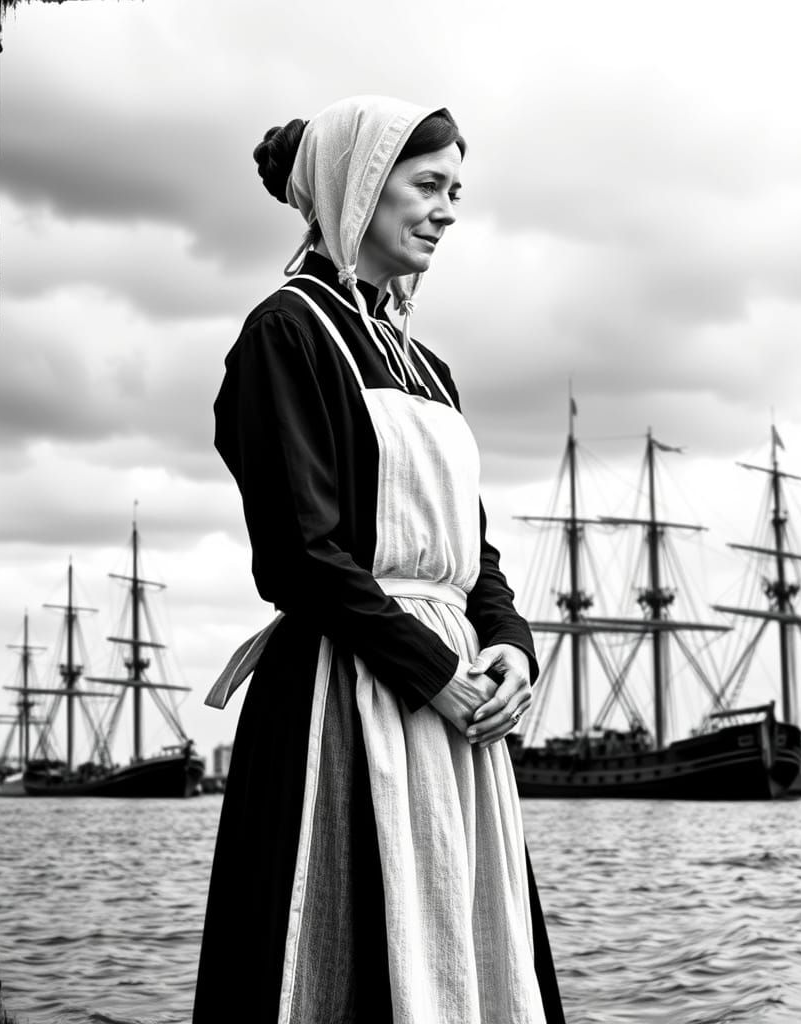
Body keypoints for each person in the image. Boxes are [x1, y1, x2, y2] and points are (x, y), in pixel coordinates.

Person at [193, 95, 565, 1024]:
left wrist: (509, 646)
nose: (447, 210)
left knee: (464, 949)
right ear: (362, 190)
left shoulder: (426, 364)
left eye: (456, 191)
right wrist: (437, 675)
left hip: (455, 706)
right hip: (347, 686)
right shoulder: (286, 332)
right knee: (345, 958)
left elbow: (472, 552)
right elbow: (302, 557)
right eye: (428, 185)